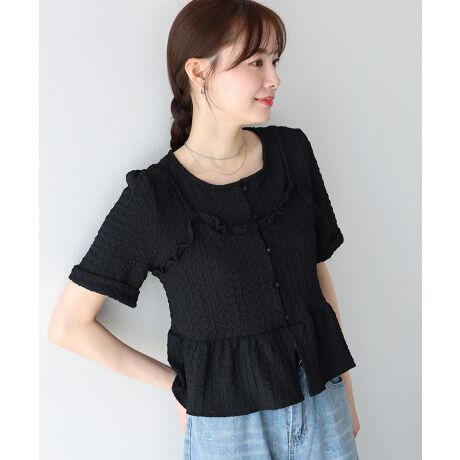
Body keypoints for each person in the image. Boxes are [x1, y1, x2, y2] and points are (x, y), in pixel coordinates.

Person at [48, 0, 361, 458]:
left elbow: (316, 276)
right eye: (256, 62)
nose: (274, 78)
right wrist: (177, 387)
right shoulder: (155, 198)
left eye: (275, 61)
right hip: (228, 429)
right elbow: (69, 326)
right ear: (198, 72)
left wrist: (345, 388)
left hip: (322, 402)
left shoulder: (293, 152)